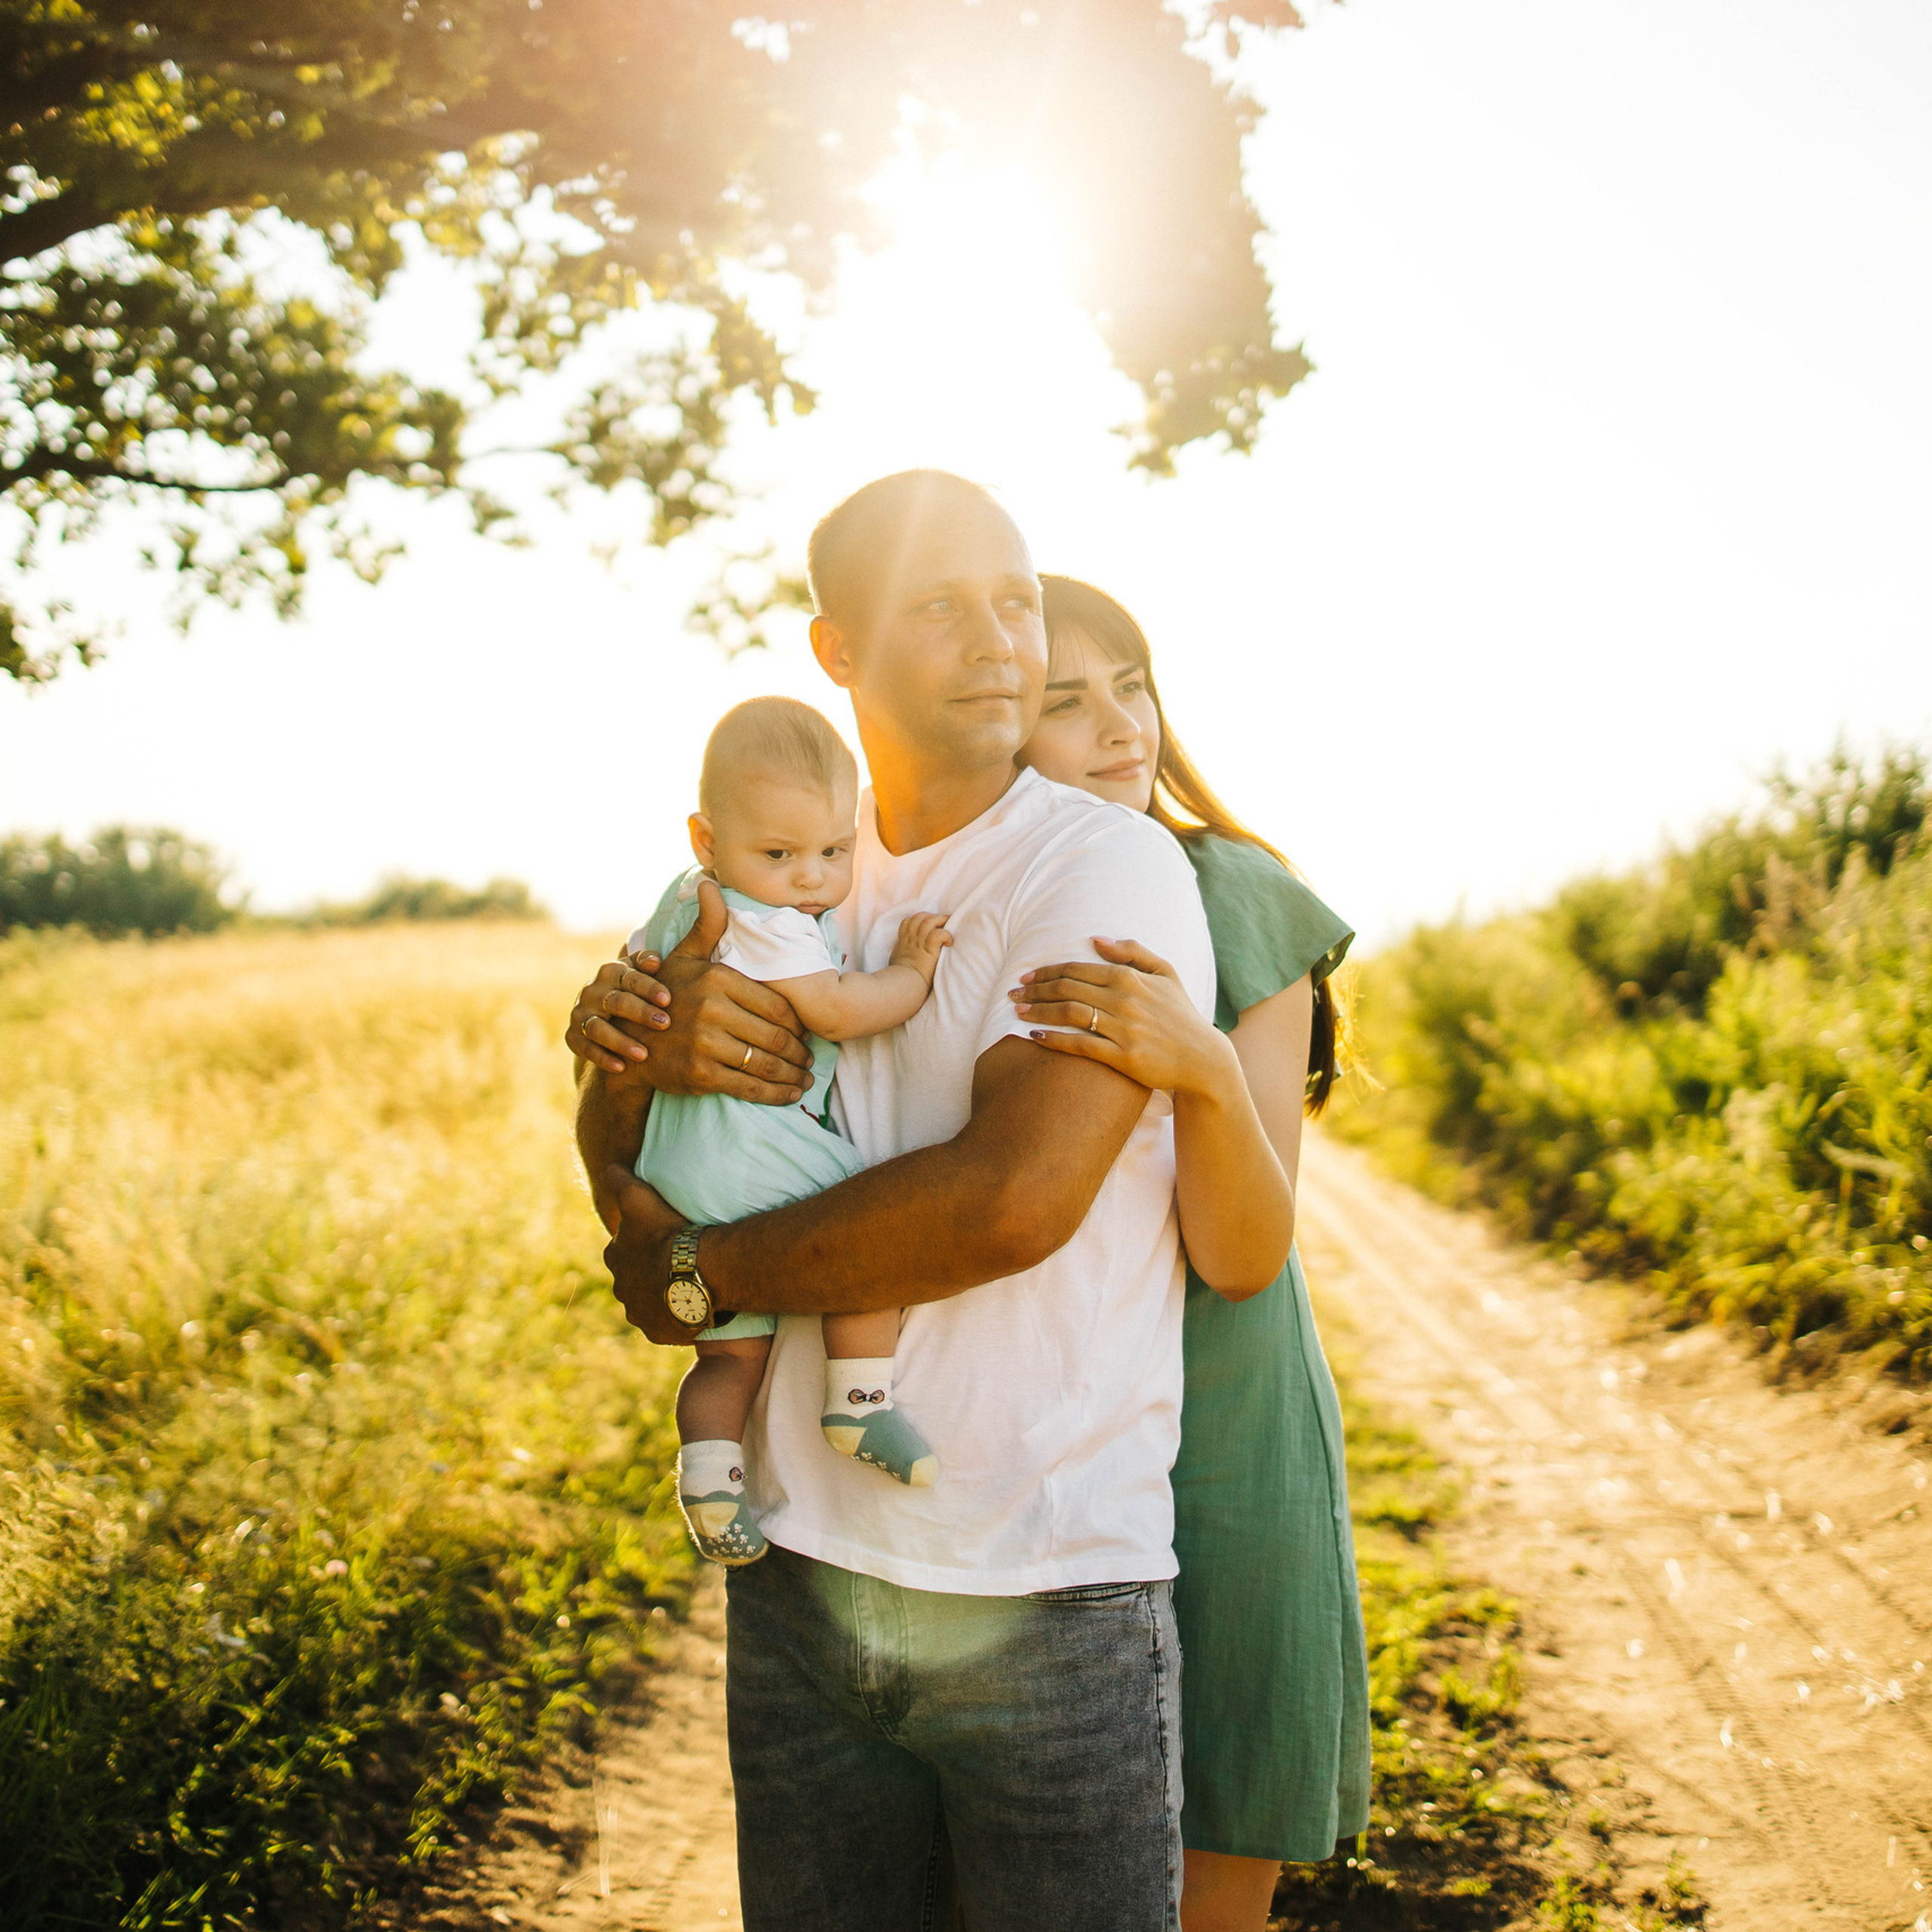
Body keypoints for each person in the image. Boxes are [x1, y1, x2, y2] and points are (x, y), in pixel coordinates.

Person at [571, 470, 1217, 1931]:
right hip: (802, 1575)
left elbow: (1009, 1200)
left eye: (1014, 596)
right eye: (940, 605)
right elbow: (624, 1139)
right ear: (837, 652)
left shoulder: (1096, 862)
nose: (998, 638)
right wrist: (620, 1051)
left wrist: (701, 1270)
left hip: (1044, 1578)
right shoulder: (780, 859)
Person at [1007, 574, 1371, 1931]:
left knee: (1208, 1831)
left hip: (1221, 1411)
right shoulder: (960, 899)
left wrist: (1204, 1071)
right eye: (1065, 702)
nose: (1119, 726)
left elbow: (1243, 1251)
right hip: (1043, 1418)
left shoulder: (1235, 891)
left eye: (1133, 684)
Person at [633, 696, 952, 1570]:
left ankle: (708, 1484)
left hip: (680, 1155)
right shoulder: (767, 924)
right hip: (755, 1150)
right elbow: (842, 1012)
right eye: (778, 854)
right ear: (708, 839)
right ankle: (857, 1403)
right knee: (866, 1242)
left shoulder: (678, 901)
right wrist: (913, 971)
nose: (810, 877)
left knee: (729, 1358)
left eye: (833, 851)